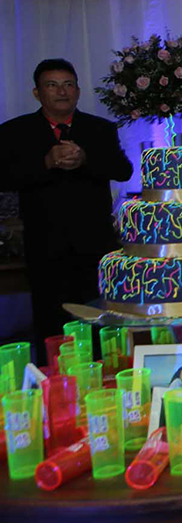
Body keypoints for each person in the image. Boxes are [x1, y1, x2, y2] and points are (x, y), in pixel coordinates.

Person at [0, 59, 133, 364]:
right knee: (51, 327)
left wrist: (87, 158)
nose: (62, 92)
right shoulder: (14, 131)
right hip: (45, 246)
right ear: (37, 93)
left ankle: (106, 382)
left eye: (68, 85)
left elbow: (123, 170)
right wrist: (45, 163)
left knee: (101, 323)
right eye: (52, 85)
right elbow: (3, 177)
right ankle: (57, 388)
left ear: (78, 91)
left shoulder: (99, 128)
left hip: (96, 246)